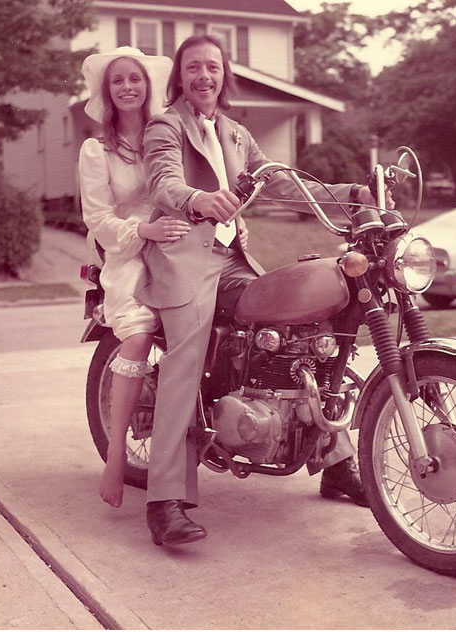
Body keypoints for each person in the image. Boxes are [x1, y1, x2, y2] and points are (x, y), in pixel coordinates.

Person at [136, 33, 384, 548]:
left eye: (213, 67)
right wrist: (199, 200)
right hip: (185, 259)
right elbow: (162, 181)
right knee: (185, 361)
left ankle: (335, 462)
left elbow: (284, 184)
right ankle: (165, 501)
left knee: (310, 337)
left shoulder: (235, 134)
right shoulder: (166, 125)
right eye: (193, 67)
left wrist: (352, 194)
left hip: (231, 260)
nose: (204, 76)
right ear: (180, 76)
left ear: (225, 76)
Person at [79, 46, 188, 508]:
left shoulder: (168, 134)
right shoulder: (96, 150)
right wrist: (144, 231)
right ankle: (116, 455)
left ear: (148, 85)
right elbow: (98, 218)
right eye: (118, 80)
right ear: (107, 92)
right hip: (129, 249)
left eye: (135, 78)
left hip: (179, 239)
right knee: (140, 334)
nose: (128, 87)